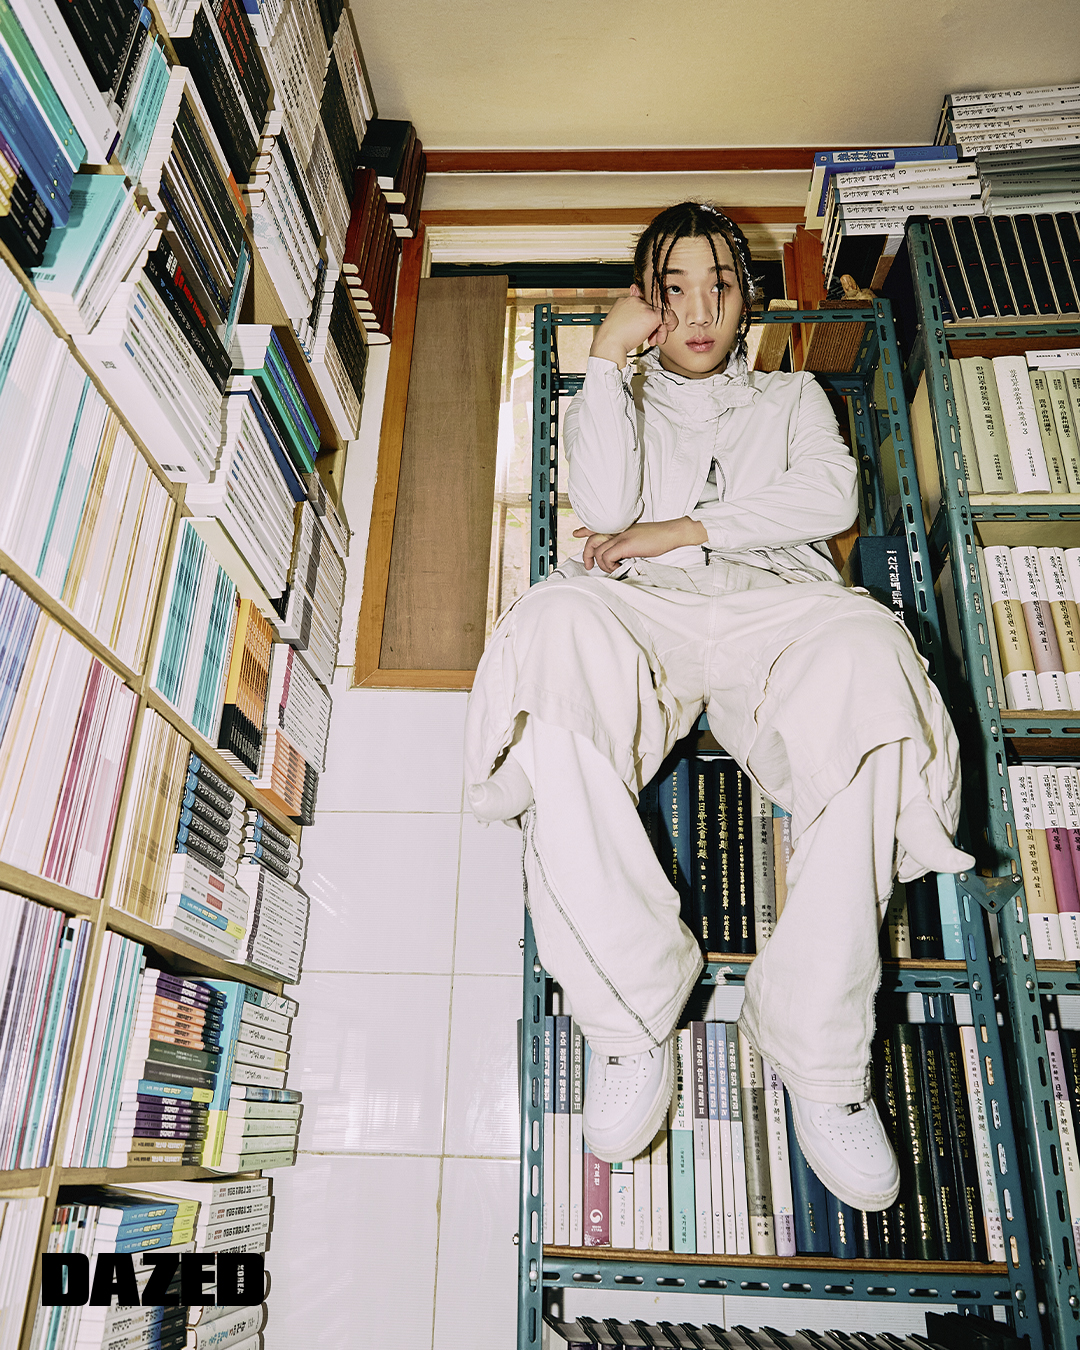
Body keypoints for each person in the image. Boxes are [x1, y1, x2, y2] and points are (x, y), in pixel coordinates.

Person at [463, 201, 973, 1212]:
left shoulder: (792, 397)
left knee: (872, 658)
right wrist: (604, 358)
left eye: (720, 286)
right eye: (673, 289)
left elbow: (828, 499)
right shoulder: (615, 393)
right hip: (640, 615)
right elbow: (604, 511)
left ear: (748, 300)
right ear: (646, 302)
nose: (698, 311)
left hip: (775, 611)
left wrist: (682, 531)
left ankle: (820, 1055)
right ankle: (629, 1017)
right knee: (552, 630)